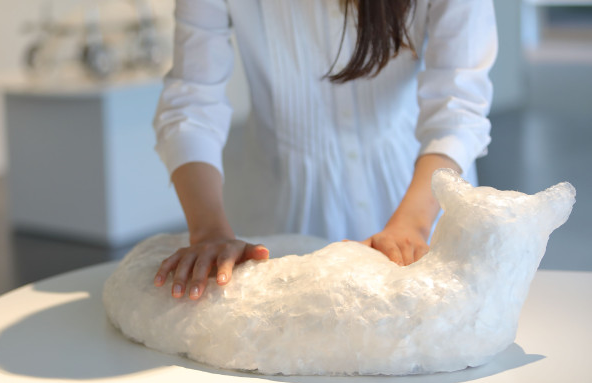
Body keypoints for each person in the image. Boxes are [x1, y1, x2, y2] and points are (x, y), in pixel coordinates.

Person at [152, 0, 497, 300]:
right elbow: (192, 104)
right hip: (281, 213)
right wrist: (209, 231)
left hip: (421, 195)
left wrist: (414, 225)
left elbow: (457, 106)